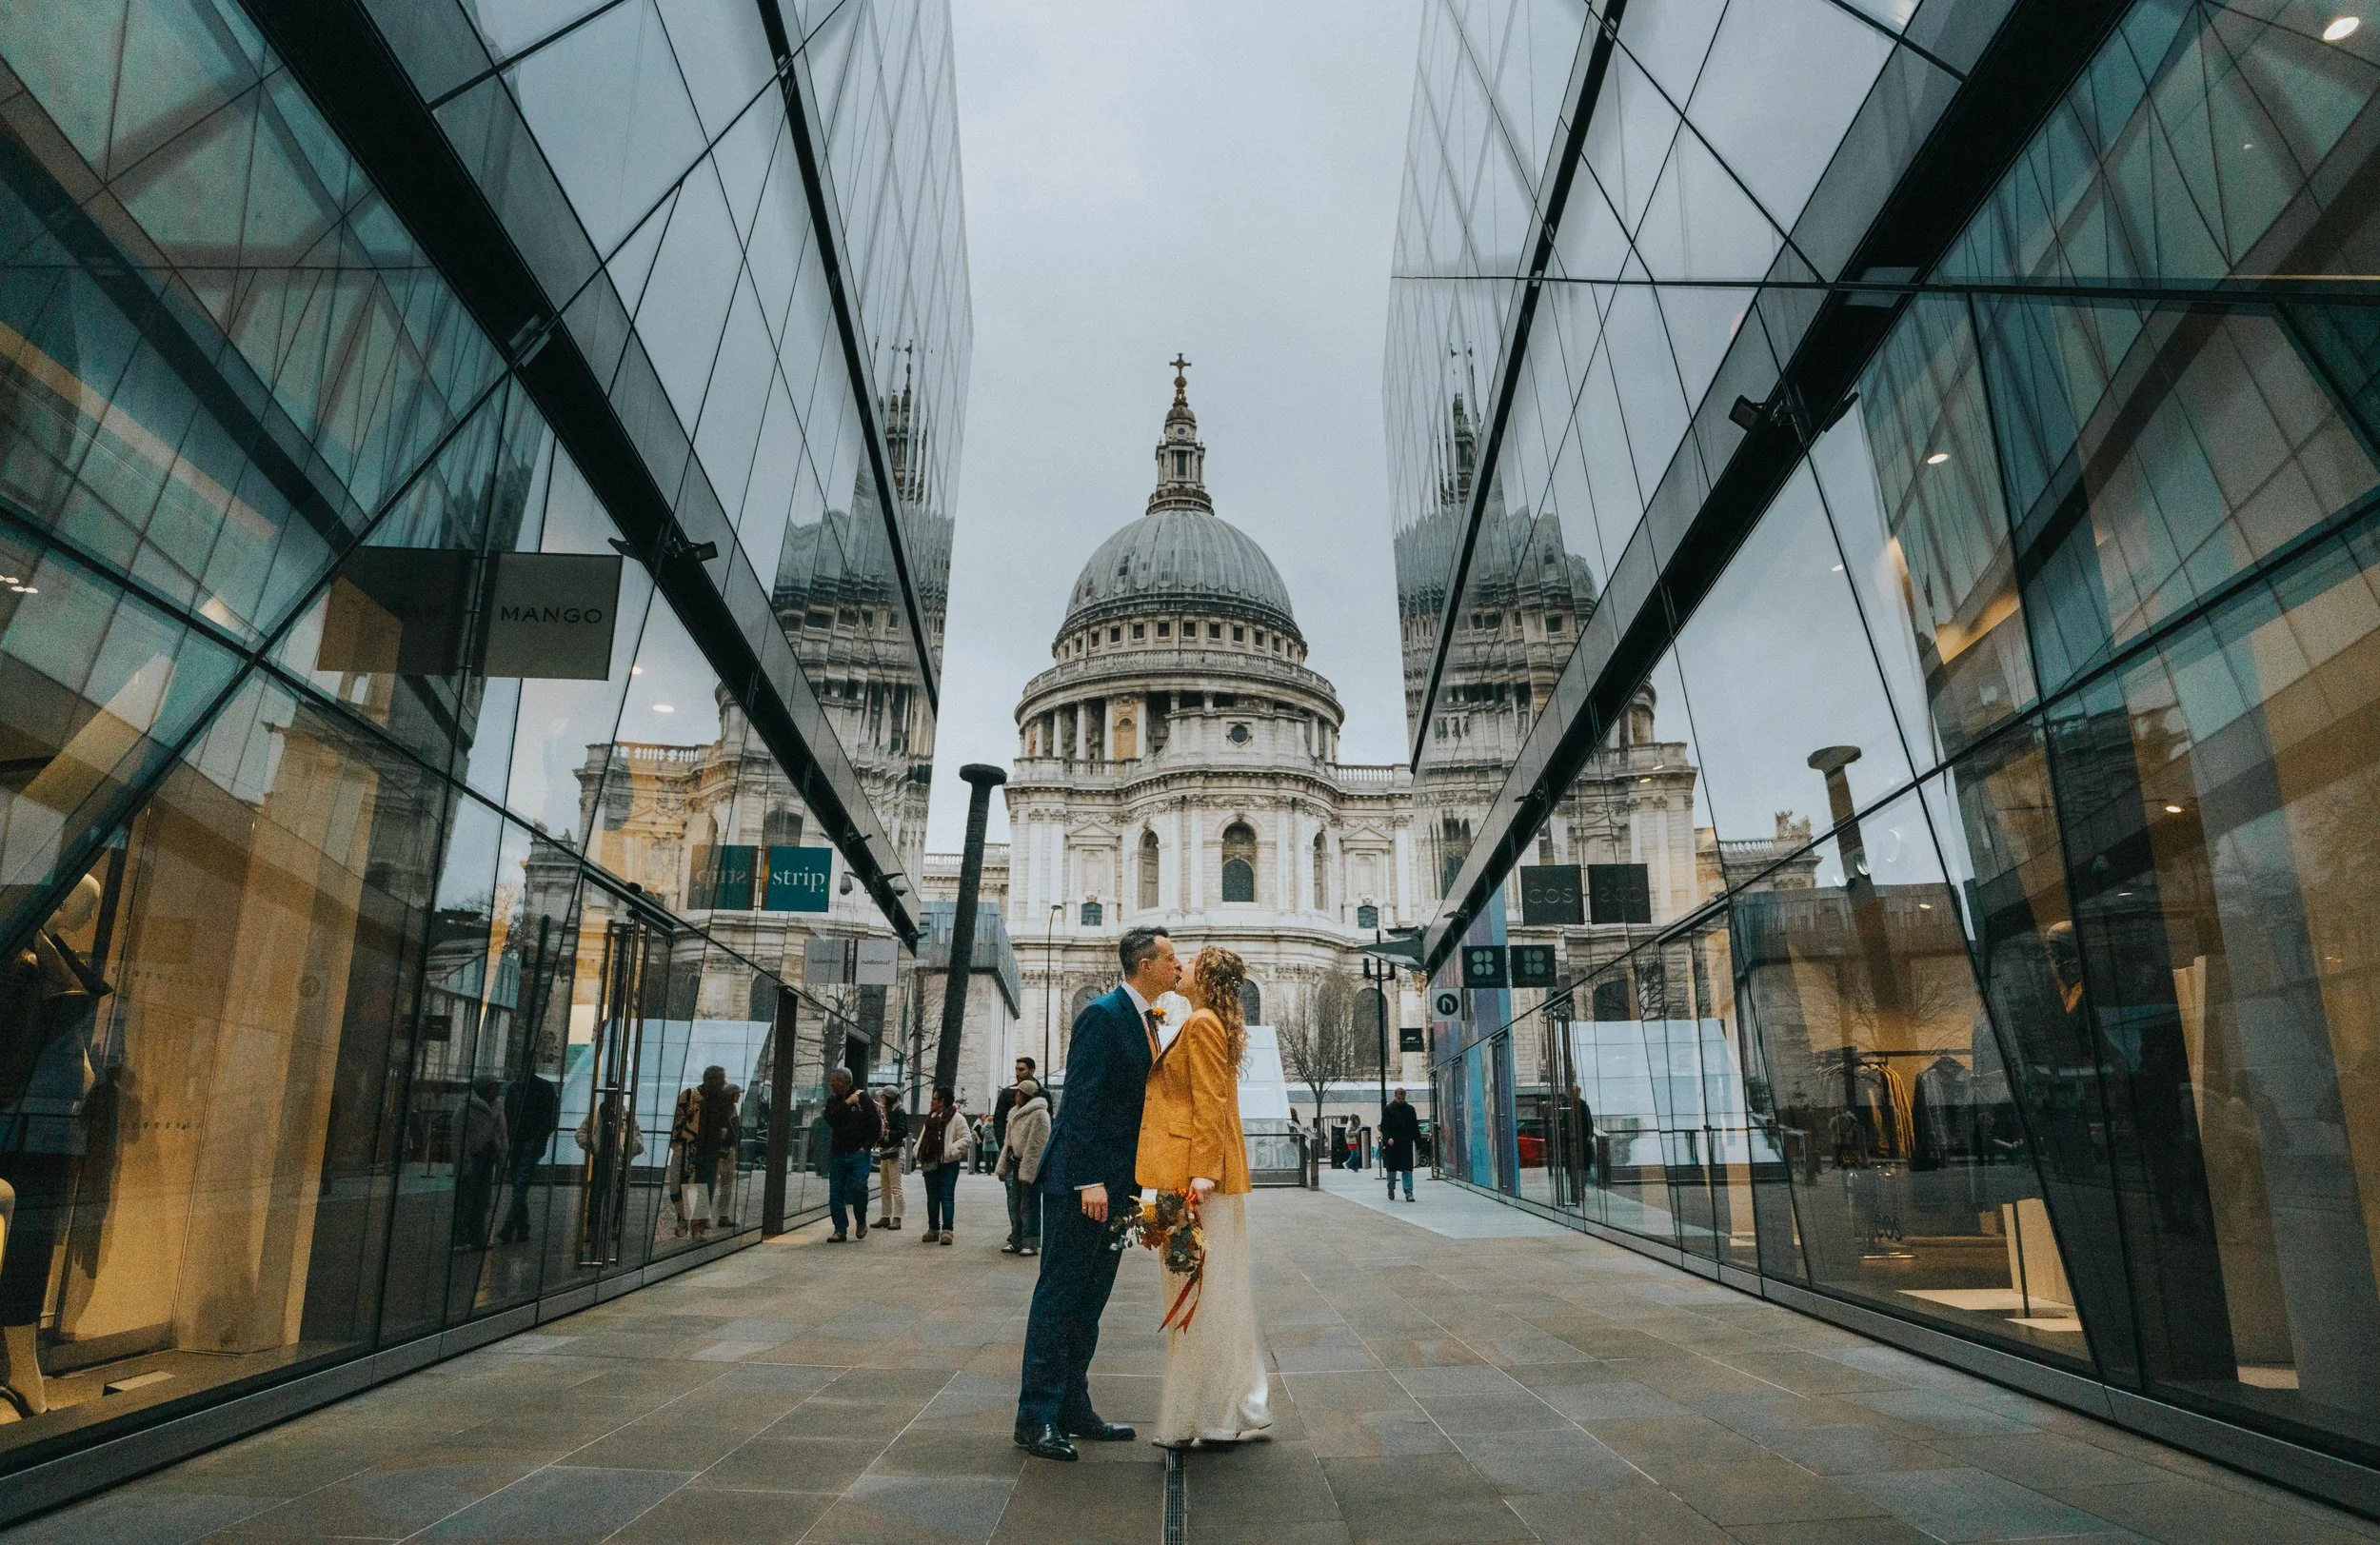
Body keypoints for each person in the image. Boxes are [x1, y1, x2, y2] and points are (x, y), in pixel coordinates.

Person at [1016, 925, 1179, 1461]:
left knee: (1089, 1303)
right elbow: (1080, 1102)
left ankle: (1072, 1407)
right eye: (1170, 959)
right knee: (1059, 1299)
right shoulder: (1103, 1016)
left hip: (1117, 1185)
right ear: (1144, 964)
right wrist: (1088, 1178)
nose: (1177, 968)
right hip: (1083, 1186)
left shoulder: (1142, 1019)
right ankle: (1036, 1417)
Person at [1141, 946, 1272, 1449]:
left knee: (1201, 1292)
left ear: (1206, 977)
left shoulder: (1201, 1025)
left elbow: (1210, 1105)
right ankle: (1219, 1406)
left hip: (1199, 1180)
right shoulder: (1202, 1021)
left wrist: (1200, 1176)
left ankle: (1209, 1412)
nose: (1182, 967)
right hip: (1202, 1175)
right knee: (1210, 1291)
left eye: (1191, 963)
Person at [821, 1068, 879, 1242]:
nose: (831, 1084)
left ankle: (861, 1220)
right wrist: (846, 1104)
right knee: (835, 1193)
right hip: (838, 1153)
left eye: (834, 1080)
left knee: (858, 1187)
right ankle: (840, 1229)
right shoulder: (834, 1100)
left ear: (844, 1082)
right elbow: (830, 1118)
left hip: (858, 1153)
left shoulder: (863, 1098)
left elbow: (875, 1123)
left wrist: (867, 1146)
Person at [996, 1077, 1050, 1256]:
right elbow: (1008, 1142)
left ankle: (1031, 1242)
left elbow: (1037, 1144)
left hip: (1029, 1165)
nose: (1015, 1095)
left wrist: (1030, 1168)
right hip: (1015, 1162)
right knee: (1015, 1204)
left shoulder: (1040, 1114)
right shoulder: (1014, 1113)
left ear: (1026, 1095)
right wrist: (1003, 1165)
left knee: (1030, 1205)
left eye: (1019, 1092)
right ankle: (1017, 1239)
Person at [915, 1086, 966, 1244]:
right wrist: (917, 1152)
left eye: (935, 1099)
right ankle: (933, 1228)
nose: (932, 1102)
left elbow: (966, 1138)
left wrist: (951, 1150)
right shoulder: (931, 1117)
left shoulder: (957, 1118)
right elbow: (923, 1137)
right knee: (932, 1197)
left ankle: (947, 1230)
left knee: (946, 1195)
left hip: (948, 1163)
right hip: (931, 1161)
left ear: (942, 1101)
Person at [875, 1087, 909, 1230]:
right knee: (885, 1186)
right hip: (887, 1151)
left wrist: (887, 1134)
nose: (881, 1100)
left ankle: (897, 1217)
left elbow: (903, 1131)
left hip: (895, 1151)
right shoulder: (889, 1111)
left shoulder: (898, 1111)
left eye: (883, 1097)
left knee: (895, 1186)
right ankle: (885, 1215)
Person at [1381, 1088, 1420, 1201]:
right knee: (1391, 1171)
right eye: (1399, 1098)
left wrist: (1418, 1143)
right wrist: (1388, 1138)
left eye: (1403, 1098)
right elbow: (1384, 1126)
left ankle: (1409, 1192)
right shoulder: (1388, 1109)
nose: (1401, 1100)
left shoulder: (1410, 1110)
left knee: (1407, 1169)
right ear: (1395, 1096)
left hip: (1405, 1143)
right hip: (1392, 1144)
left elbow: (1414, 1127)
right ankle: (1391, 1188)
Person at [992, 1056, 1037, 1153]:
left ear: (1031, 1071)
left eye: (1021, 1070)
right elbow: (999, 1120)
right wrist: (1004, 1145)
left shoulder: (1041, 1093)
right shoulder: (1008, 1093)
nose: (1017, 1073)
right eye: (1016, 1069)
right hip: (1011, 1146)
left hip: (1034, 1148)